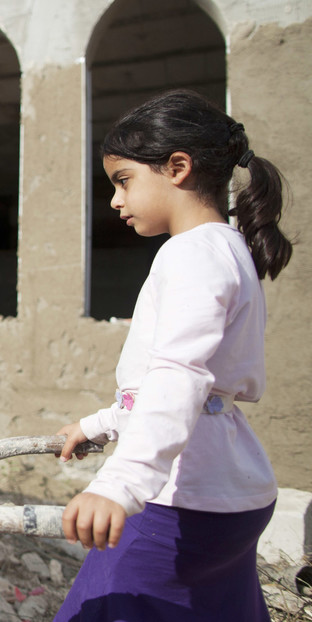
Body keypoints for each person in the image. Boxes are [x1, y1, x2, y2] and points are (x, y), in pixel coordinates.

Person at [53, 89, 293, 621]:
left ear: (178, 168)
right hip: (230, 492)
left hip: (177, 502)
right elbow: (193, 390)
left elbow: (178, 377)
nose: (115, 200)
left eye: (123, 180)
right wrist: (100, 424)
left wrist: (119, 484)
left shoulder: (191, 255)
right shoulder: (227, 248)